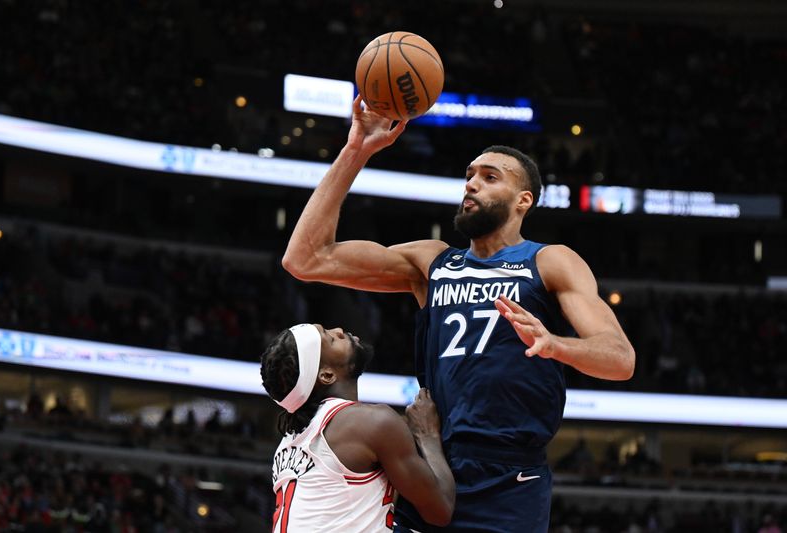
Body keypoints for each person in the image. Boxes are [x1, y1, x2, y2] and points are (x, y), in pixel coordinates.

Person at [282, 96, 636, 532]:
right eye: (469, 175)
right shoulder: (432, 263)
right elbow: (306, 258)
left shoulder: (549, 262)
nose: (471, 184)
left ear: (523, 200)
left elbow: (620, 359)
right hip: (430, 462)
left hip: (511, 477)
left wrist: (555, 345)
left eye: (490, 177)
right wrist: (357, 148)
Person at [260, 323, 455, 532]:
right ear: (326, 375)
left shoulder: (286, 445)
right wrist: (428, 437)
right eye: (331, 339)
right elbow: (440, 510)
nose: (339, 330)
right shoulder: (372, 423)